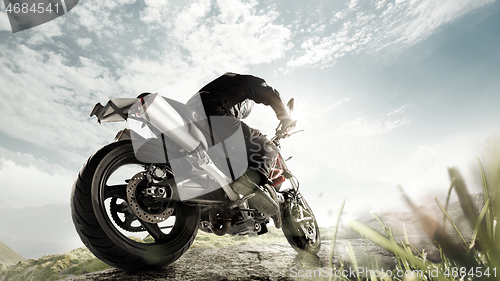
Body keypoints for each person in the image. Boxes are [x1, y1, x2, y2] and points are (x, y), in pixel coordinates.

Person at [186, 73, 296, 216]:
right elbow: (268, 92)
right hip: (212, 111)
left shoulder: (213, 88)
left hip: (191, 122)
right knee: (266, 145)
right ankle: (252, 180)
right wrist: (285, 116)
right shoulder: (239, 81)